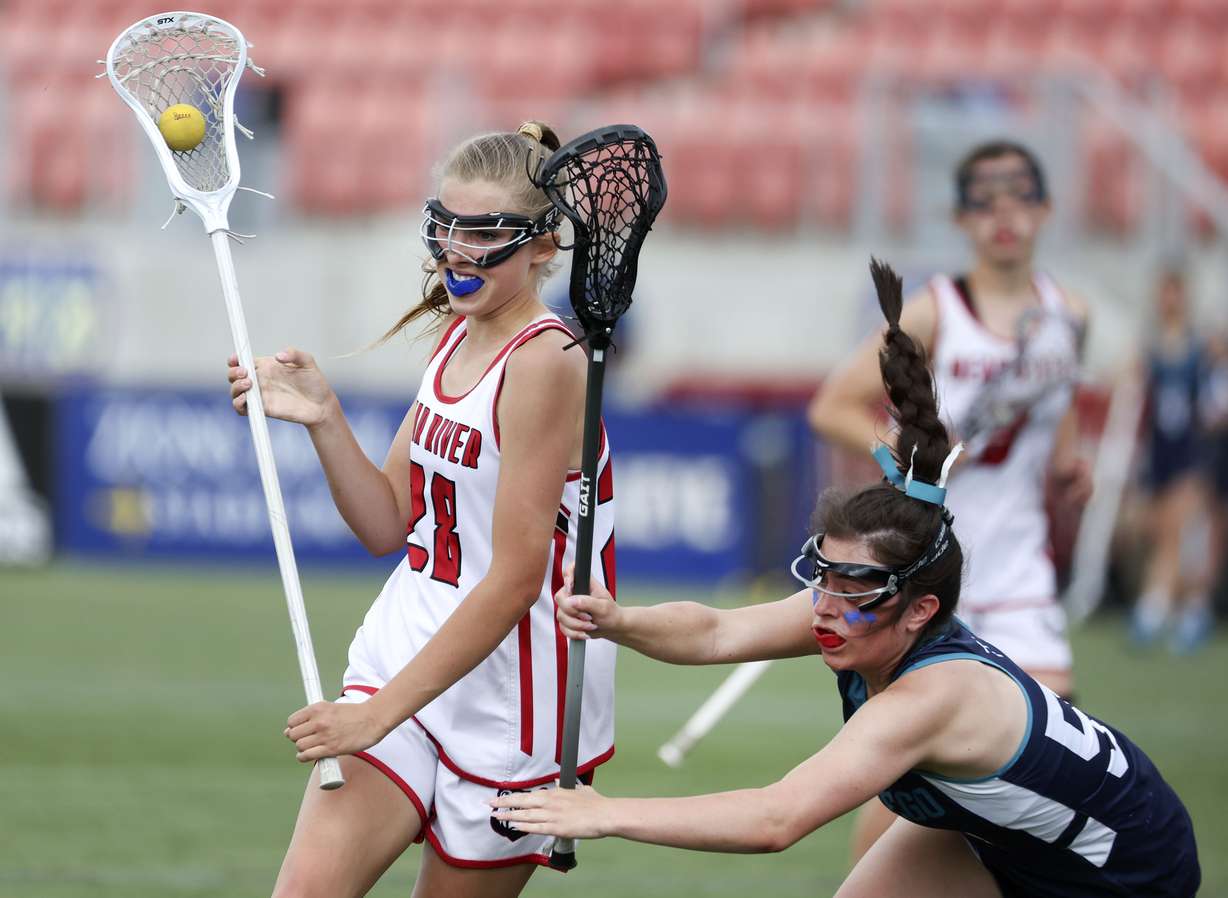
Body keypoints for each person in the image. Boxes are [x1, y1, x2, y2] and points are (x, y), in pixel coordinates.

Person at [492, 260, 1201, 898]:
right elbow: (716, 632)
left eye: (852, 585)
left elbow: (776, 819)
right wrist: (619, 621)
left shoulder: (929, 698)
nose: (826, 605)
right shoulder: (861, 608)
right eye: (824, 575)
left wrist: (604, 814)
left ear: (920, 609)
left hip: (1126, 874)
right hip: (1007, 837)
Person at [228, 121, 617, 897]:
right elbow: (385, 524)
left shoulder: (546, 362)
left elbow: (513, 582)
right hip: (403, 658)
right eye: (447, 227)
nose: (457, 253)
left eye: (487, 234)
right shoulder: (458, 335)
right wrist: (324, 418)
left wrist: (374, 718)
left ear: (543, 245)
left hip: (512, 703)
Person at [809, 141, 1091, 859]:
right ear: (961, 218)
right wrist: (907, 458)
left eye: (1019, 198)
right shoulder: (937, 312)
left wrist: (1069, 467)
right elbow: (833, 406)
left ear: (1045, 209)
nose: (1004, 216)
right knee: (914, 774)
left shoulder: (1069, 314)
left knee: (1044, 763)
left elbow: (1058, 419)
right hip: (935, 571)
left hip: (1021, 570)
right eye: (984, 202)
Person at [1131, 269, 1215, 653]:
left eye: (1175, 293)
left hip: (1191, 453)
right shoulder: (1150, 349)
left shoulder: (1202, 348)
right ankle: (1177, 608)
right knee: (1163, 532)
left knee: (1182, 530)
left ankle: (1161, 608)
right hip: (1159, 456)